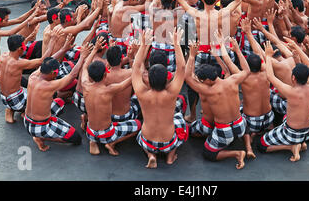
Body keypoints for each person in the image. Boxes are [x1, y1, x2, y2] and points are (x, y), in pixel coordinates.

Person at [185, 37, 249, 169]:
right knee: (241, 117)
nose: (201, 82)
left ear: (208, 80)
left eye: (202, 80)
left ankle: (237, 153)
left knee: (209, 153)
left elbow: (187, 78)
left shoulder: (208, 91)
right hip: (240, 125)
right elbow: (246, 70)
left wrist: (191, 56)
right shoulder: (233, 80)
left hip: (225, 130)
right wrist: (233, 50)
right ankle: (247, 146)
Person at [132, 28, 188, 168]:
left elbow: (135, 67)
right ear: (167, 79)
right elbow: (181, 67)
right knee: (181, 122)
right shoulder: (171, 93)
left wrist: (144, 44)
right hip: (169, 142)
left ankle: (151, 155)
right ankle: (170, 156)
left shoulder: (141, 93)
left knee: (140, 136)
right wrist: (176, 44)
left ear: (148, 80)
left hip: (148, 142)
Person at [257, 40, 309, 162]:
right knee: (286, 116)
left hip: (293, 132)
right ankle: (302, 142)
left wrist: (267, 56)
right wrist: (296, 47)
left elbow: (270, 76)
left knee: (261, 145)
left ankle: (291, 146)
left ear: (293, 77)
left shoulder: (291, 91)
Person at [24, 45, 91, 152]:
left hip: (27, 121)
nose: (56, 75)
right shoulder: (49, 86)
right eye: (56, 73)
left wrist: (63, 49)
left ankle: (44, 130)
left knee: (59, 102)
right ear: (52, 73)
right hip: (39, 126)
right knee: (76, 139)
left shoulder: (34, 75)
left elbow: (47, 62)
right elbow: (72, 75)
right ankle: (40, 137)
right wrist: (82, 57)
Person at [82, 41, 140, 156]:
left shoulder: (85, 84)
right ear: (104, 74)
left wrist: (94, 50)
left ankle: (92, 141)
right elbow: (135, 74)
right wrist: (133, 56)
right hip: (108, 133)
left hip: (90, 132)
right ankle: (112, 142)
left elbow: (84, 66)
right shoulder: (110, 90)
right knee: (138, 124)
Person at [0, 33, 65, 123]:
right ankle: (25, 113)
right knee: (55, 100)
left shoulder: (3, 56)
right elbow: (42, 61)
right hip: (17, 101)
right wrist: (52, 41)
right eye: (24, 46)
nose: (25, 48)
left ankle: (11, 109)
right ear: (19, 49)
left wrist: (27, 38)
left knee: (24, 88)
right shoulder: (18, 63)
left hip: (4, 98)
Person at [0, 4, 40, 90]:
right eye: (6, 20)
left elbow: (19, 20)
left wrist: (33, 10)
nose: (8, 21)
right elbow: (10, 33)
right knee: (20, 81)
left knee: (25, 68)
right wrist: (30, 19)